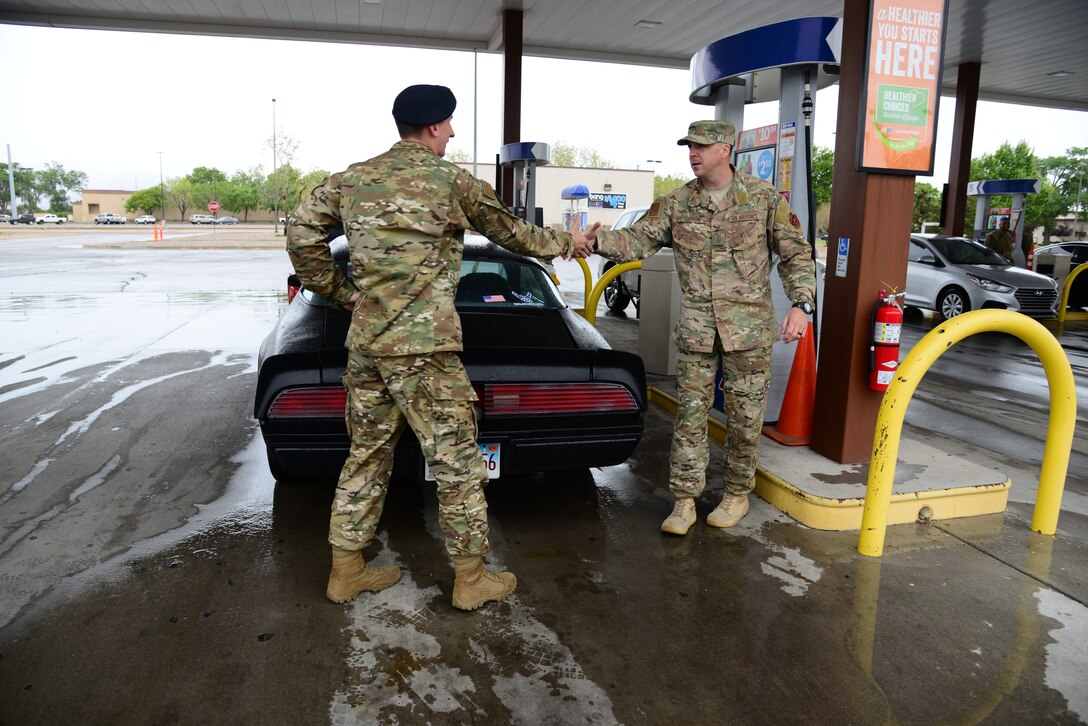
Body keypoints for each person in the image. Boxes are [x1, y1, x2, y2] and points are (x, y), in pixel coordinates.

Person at [286, 84, 589, 610]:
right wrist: (570, 242)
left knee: (365, 455)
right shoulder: (450, 181)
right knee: (457, 463)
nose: (452, 133)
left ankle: (345, 570)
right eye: (449, 124)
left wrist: (342, 293)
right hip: (425, 351)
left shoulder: (352, 179)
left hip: (368, 347)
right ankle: (470, 580)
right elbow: (512, 234)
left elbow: (299, 232)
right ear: (432, 127)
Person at [582, 120, 817, 535]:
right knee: (689, 419)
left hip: (747, 332)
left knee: (745, 419)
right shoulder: (677, 203)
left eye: (702, 146)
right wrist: (596, 242)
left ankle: (737, 494)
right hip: (697, 331)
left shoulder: (762, 199)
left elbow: (796, 254)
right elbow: (639, 240)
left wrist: (801, 304)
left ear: (726, 149)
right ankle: (685, 501)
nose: (693, 152)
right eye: (689, 146)